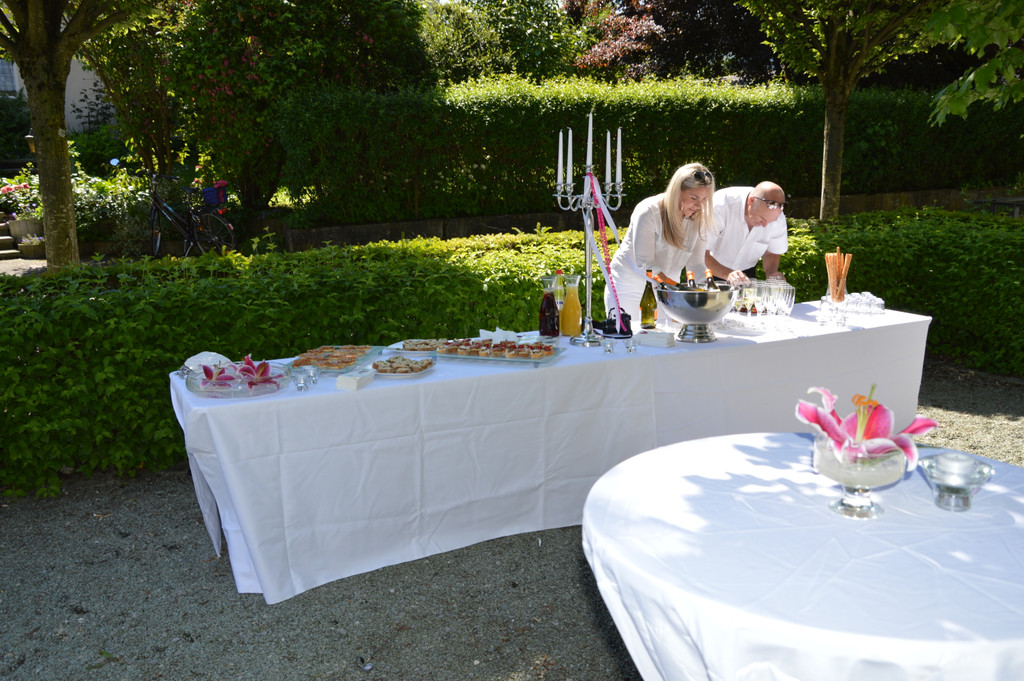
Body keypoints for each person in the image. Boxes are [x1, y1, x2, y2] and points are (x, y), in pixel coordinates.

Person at [603, 163, 716, 328]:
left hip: (669, 292)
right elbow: (645, 264)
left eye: (704, 199)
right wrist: (676, 288)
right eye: (694, 198)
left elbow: (696, 264)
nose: (700, 205)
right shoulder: (649, 211)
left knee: (668, 338)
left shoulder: (701, 217)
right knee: (627, 337)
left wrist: (709, 291)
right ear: (677, 192)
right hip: (629, 286)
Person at [705, 181, 788, 285]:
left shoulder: (777, 217)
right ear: (751, 201)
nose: (765, 225)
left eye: (770, 221)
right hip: (708, 270)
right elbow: (700, 253)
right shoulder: (720, 206)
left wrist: (771, 273)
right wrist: (728, 274)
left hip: (746, 274)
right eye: (762, 219)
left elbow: (772, 253)